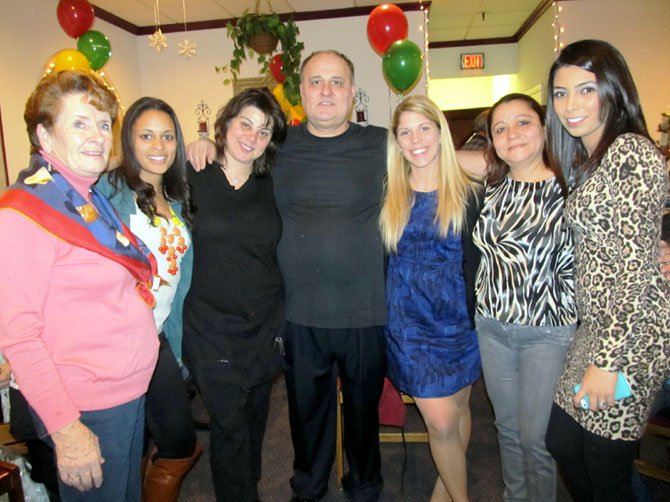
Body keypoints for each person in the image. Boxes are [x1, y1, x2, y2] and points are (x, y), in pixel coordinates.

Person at [187, 51, 487, 502]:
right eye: (315, 82)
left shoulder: (380, 144)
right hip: (300, 315)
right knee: (307, 417)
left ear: (352, 91)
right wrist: (205, 145)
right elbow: (238, 155)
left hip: (367, 313)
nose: (326, 91)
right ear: (301, 91)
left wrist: (509, 157)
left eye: (337, 82)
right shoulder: (277, 148)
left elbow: (434, 152)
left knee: (363, 415)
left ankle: (364, 488)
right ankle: (308, 489)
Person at [0, 70, 158, 501]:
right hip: (86, 410)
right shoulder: (25, 214)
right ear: (44, 136)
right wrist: (66, 431)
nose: (97, 136)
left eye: (104, 124)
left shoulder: (82, 195)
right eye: (80, 123)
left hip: (122, 395)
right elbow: (20, 336)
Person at [543, 39, 670, 501]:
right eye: (560, 93)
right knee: (562, 441)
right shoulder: (588, 160)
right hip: (595, 328)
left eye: (586, 89)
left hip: (631, 336)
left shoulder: (629, 153)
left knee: (604, 466)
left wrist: (607, 361)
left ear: (614, 91)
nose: (570, 105)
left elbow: (635, 269)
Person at [182, 87, 287, 502]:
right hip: (210, 328)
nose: (252, 136)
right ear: (225, 123)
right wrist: (193, 142)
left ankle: (250, 487)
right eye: (245, 123)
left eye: (263, 131)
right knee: (229, 427)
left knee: (255, 421)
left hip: (263, 325)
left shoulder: (273, 183)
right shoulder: (193, 175)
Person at [472, 93, 577, 502]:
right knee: (507, 430)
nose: (511, 134)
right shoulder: (492, 183)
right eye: (500, 128)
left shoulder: (571, 183)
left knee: (536, 439)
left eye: (522, 123)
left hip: (547, 332)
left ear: (545, 127)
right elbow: (438, 152)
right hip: (492, 326)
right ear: (492, 141)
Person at [96, 96, 202, 502]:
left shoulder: (176, 200)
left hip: (157, 338)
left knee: (175, 440)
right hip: (118, 341)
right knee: (137, 443)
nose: (159, 145)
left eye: (168, 136)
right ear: (129, 140)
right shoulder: (107, 192)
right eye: (146, 136)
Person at [380, 95, 482, 502]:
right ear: (397, 142)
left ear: (440, 133)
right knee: (440, 422)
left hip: (459, 320)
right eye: (405, 132)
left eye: (424, 128)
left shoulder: (470, 192)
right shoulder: (389, 193)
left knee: (458, 410)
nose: (415, 139)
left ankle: (444, 490)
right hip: (408, 324)